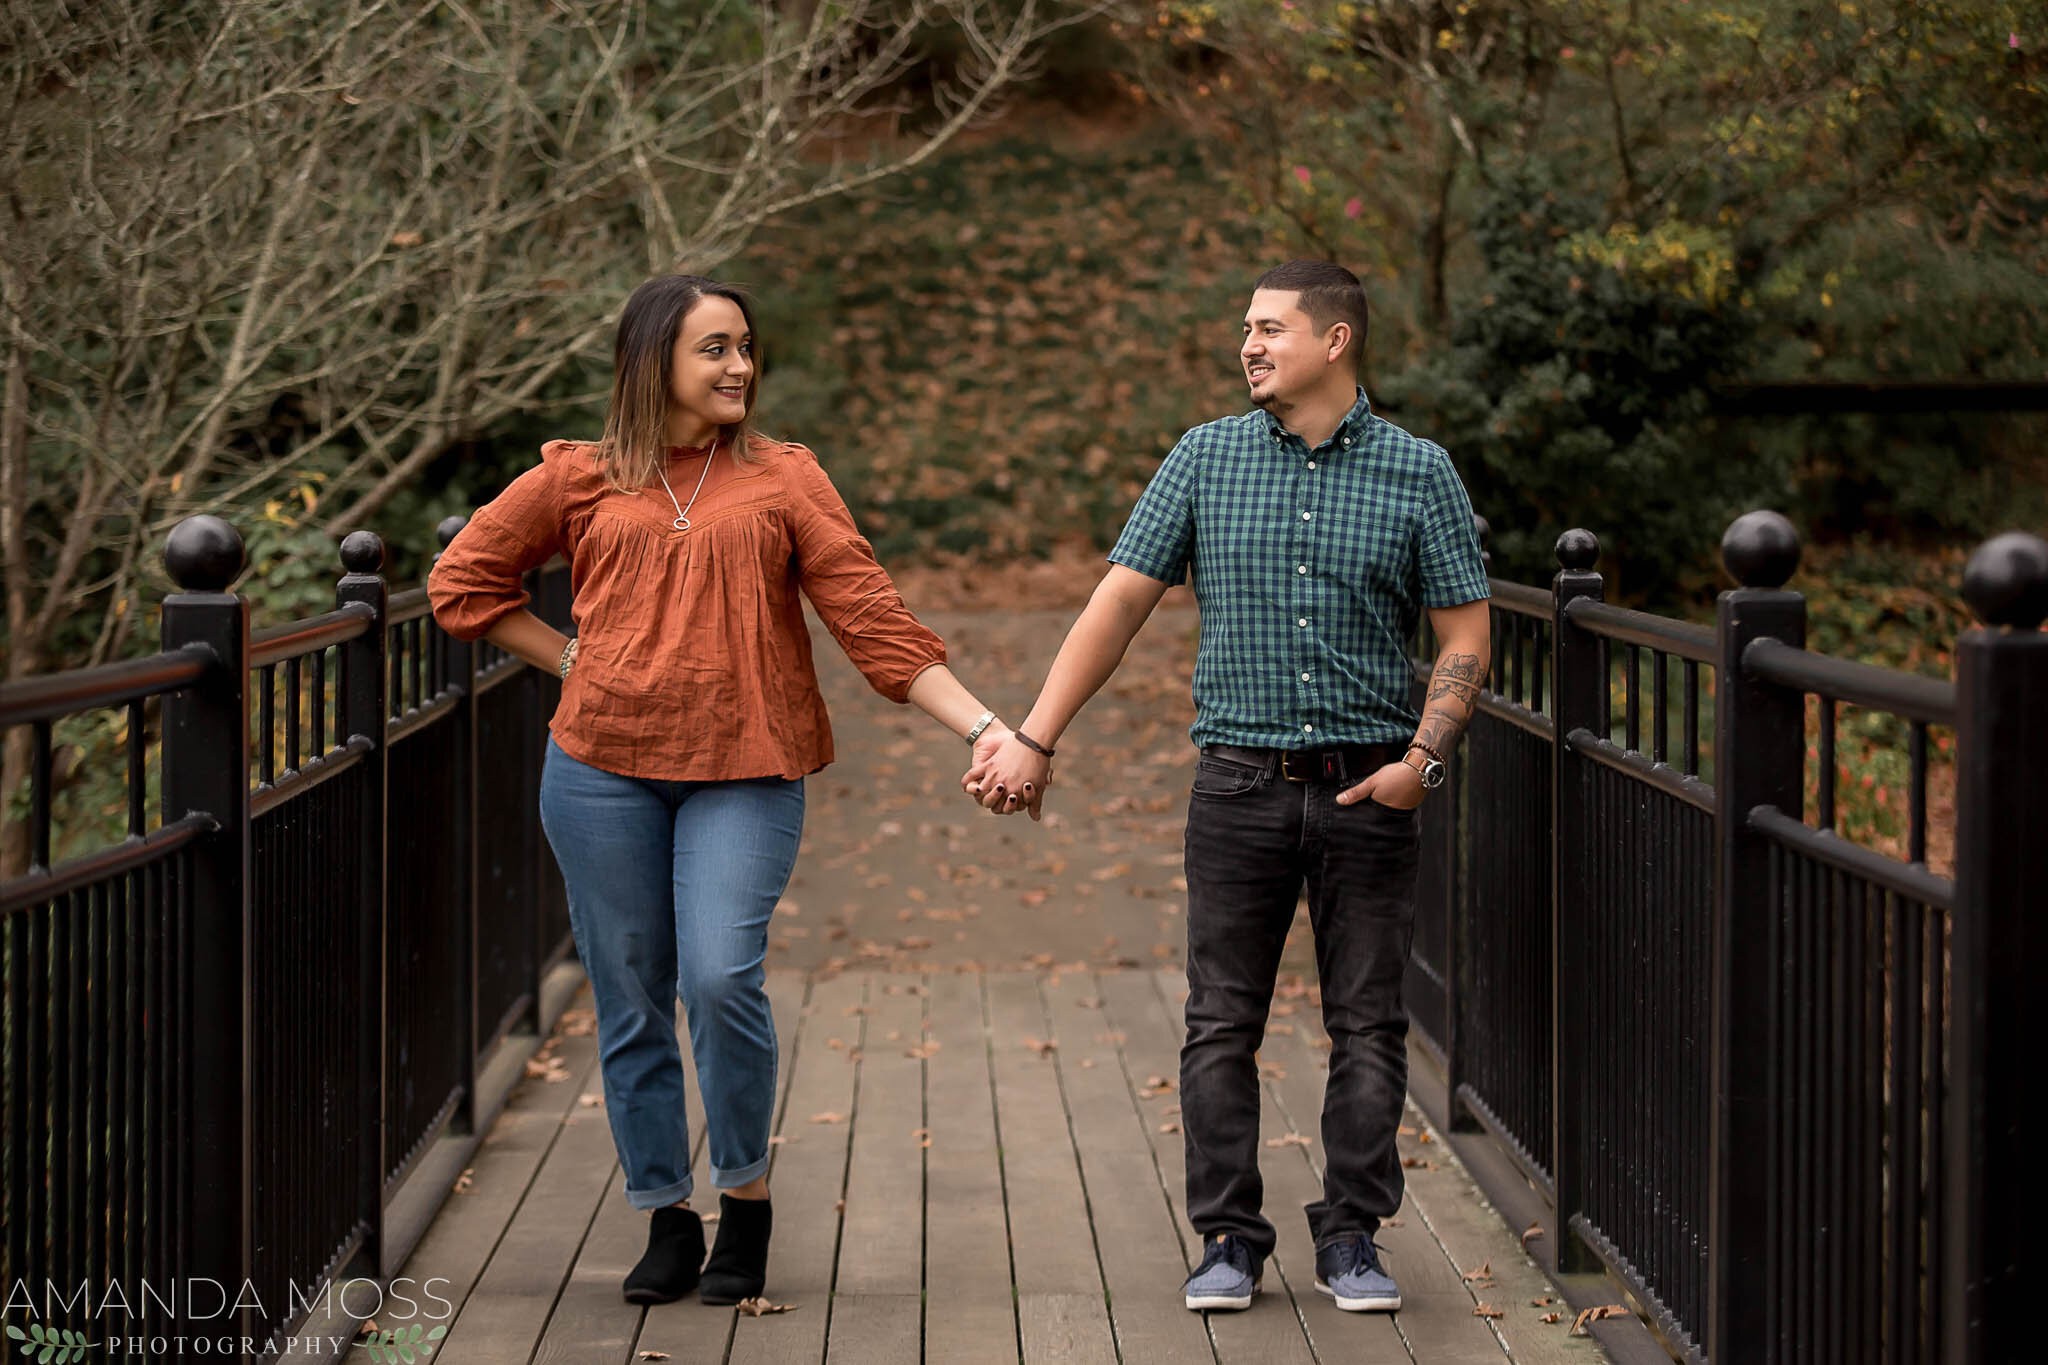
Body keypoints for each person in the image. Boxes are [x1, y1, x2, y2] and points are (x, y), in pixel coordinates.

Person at [429, 274, 1012, 1307]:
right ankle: (664, 1214)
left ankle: (745, 1201)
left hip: (745, 767)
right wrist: (574, 663)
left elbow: (871, 622)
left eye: (745, 346)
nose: (739, 366)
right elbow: (463, 586)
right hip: (599, 771)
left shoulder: (784, 478)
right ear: (653, 359)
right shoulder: (579, 477)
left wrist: (985, 728)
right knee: (631, 993)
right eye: (714, 349)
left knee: (717, 976)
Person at [965, 260, 1492, 1316]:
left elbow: (1464, 635)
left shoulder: (1418, 471)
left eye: (1268, 328)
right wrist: (1034, 735)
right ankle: (1226, 1239)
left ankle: (1351, 1238)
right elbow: (1116, 606)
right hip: (1238, 788)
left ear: (1334, 341)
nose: (1246, 345)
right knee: (1217, 1024)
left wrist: (1420, 767)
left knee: (1369, 1024)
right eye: (1243, 329)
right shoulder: (1204, 459)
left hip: (1367, 791)